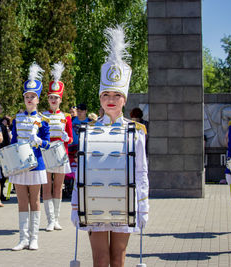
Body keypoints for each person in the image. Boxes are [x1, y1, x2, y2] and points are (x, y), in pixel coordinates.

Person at [71, 25, 149, 267]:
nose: (111, 100)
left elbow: (141, 170)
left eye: (116, 95)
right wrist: (76, 203)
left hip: (123, 201)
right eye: (106, 95)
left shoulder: (135, 132)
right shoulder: (89, 130)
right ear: (100, 100)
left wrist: (143, 204)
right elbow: (81, 170)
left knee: (118, 258)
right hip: (94, 201)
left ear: (124, 99)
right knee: (100, 259)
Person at [10, 62, 50, 251]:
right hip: (19, 165)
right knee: (21, 201)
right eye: (27, 96)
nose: (29, 99)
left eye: (32, 96)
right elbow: (13, 142)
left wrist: (39, 141)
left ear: (38, 99)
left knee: (35, 201)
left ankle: (34, 238)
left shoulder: (43, 120)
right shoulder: (17, 118)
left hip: (36, 164)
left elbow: (48, 143)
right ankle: (22, 238)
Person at [41, 62, 73, 232]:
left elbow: (71, 138)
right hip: (46, 153)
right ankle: (49, 220)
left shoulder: (66, 116)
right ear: (48, 99)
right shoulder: (42, 116)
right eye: (51, 98)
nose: (53, 100)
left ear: (61, 100)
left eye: (56, 98)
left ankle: (57, 219)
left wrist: (66, 138)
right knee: (46, 186)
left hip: (61, 153)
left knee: (58, 186)